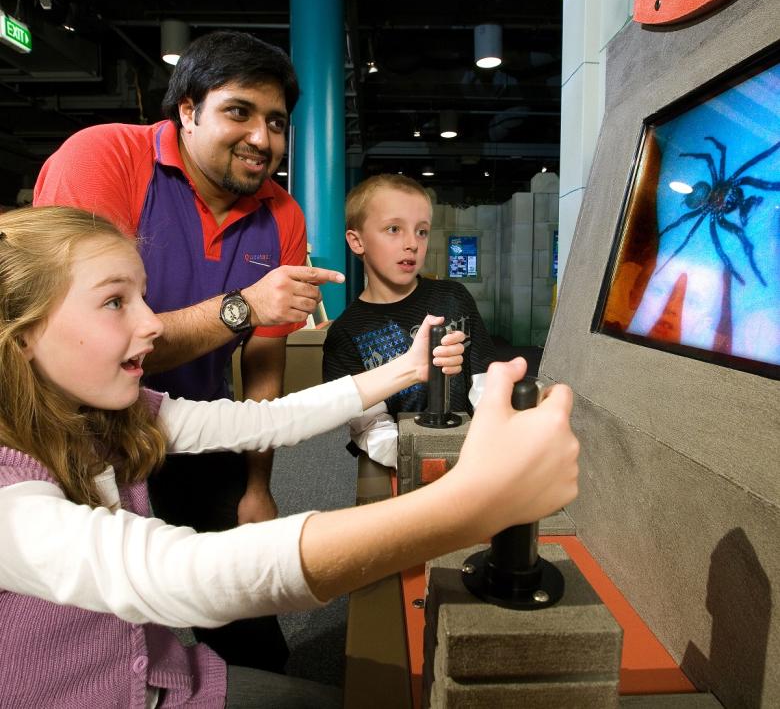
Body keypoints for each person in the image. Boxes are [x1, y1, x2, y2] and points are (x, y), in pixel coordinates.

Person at [0, 206, 579, 708]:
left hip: (171, 684)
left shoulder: (115, 411)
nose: (152, 323)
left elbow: (264, 421)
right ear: (21, 334)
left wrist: (406, 368)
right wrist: (474, 503)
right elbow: (182, 575)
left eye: (142, 297)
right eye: (113, 302)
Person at [33, 30, 343, 670]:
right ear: (187, 111)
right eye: (239, 112)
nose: (263, 137)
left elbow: (264, 362)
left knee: (248, 622)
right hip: (76, 436)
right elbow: (91, 348)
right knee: (98, 638)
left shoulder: (282, 214)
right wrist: (243, 306)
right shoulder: (105, 158)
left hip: (195, 427)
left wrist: (257, 486)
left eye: (277, 121)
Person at [323, 173, 496, 467]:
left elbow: (486, 385)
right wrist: (431, 457)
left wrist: (486, 445)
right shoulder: (345, 335)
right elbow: (372, 429)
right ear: (357, 241)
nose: (412, 244)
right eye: (394, 229)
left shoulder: (454, 298)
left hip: (474, 457)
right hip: (401, 468)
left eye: (422, 232)